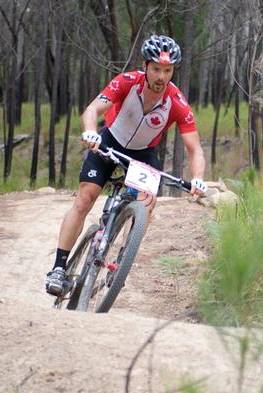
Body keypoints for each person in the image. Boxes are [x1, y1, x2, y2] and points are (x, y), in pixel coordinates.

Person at [45, 35, 207, 296]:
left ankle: (121, 259)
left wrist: (198, 177)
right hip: (110, 141)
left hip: (144, 153)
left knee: (146, 203)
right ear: (145, 66)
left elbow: (194, 148)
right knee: (85, 199)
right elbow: (92, 110)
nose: (161, 77)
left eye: (167, 71)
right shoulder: (127, 82)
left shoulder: (177, 102)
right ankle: (59, 269)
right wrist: (90, 132)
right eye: (156, 69)